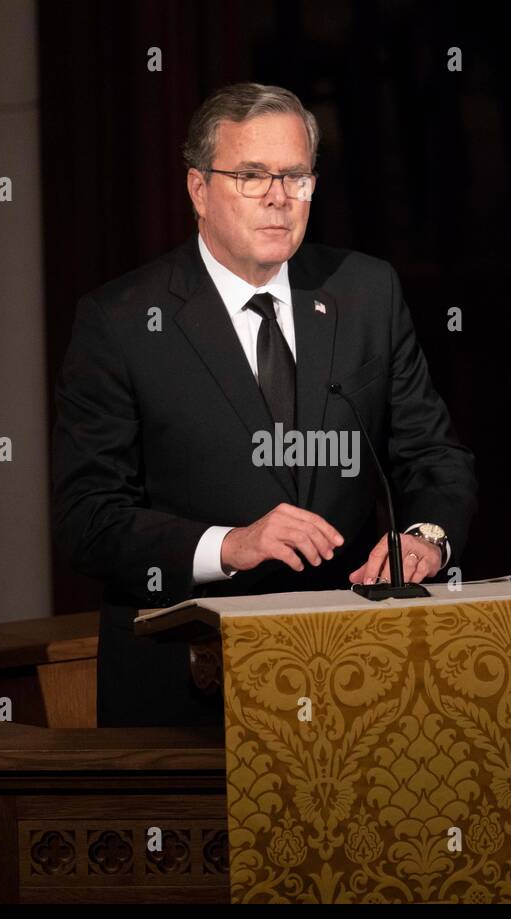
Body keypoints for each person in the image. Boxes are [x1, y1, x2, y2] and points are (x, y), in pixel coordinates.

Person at [52, 83, 477, 727]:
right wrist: (231, 544)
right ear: (199, 190)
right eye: (251, 176)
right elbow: (87, 519)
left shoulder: (365, 292)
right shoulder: (122, 322)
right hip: (189, 688)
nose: (278, 197)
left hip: (352, 675)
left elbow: (434, 456)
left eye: (295, 176)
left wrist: (425, 539)